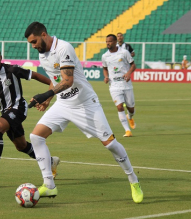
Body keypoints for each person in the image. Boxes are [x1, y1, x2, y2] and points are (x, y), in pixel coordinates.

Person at [25, 22, 143, 203]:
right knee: (36, 137)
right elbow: (54, 79)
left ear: (43, 34)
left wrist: (46, 94)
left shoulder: (64, 48)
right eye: (31, 43)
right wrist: (48, 100)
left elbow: (68, 81)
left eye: (34, 42)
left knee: (110, 144)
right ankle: (49, 185)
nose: (33, 46)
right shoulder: (43, 55)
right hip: (63, 103)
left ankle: (133, 180)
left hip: (86, 103)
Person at [0, 45, 60, 185]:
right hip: (6, 111)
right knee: (21, 146)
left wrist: (50, 89)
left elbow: (39, 77)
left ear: (1, 58)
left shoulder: (12, 70)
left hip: (18, 107)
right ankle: (51, 161)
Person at [102, 34, 137, 137]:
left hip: (126, 84)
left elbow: (133, 65)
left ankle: (130, 117)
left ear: (115, 41)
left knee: (131, 108)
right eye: (106, 41)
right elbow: (104, 68)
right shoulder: (105, 56)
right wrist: (105, 76)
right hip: (114, 85)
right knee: (119, 106)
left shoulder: (124, 52)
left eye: (110, 41)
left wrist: (128, 73)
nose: (108, 43)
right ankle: (127, 131)